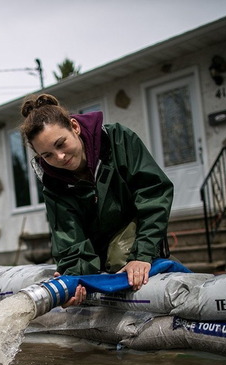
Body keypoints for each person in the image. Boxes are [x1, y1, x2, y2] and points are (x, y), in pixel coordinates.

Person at [20, 93, 174, 307]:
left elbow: (153, 192)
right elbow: (68, 236)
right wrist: (75, 280)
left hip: (133, 230)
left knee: (120, 260)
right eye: (48, 155)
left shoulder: (117, 140)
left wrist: (143, 255)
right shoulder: (53, 182)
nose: (60, 158)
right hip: (96, 246)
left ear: (74, 127)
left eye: (61, 144)